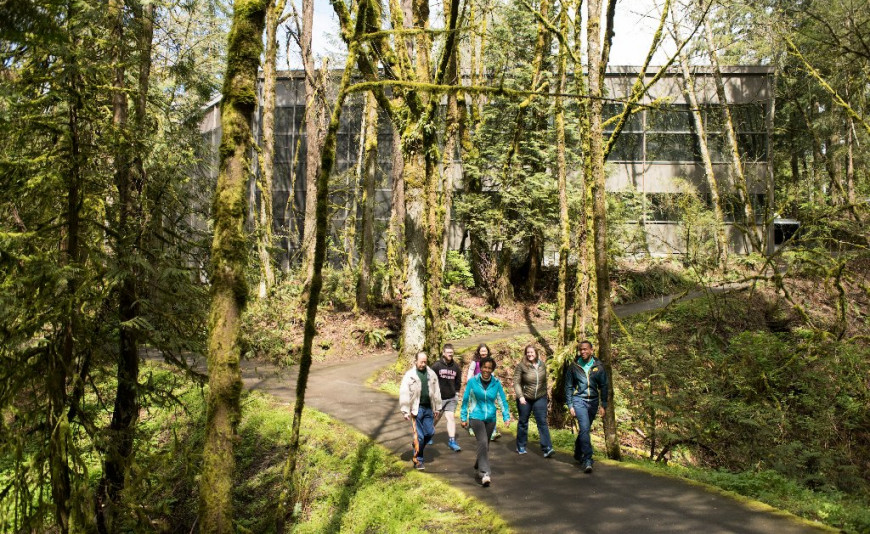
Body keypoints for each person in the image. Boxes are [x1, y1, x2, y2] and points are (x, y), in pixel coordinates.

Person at [460, 356, 511, 486]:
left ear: (492, 369)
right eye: (484, 367)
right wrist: (463, 416)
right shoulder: (473, 382)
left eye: (489, 368)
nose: (486, 370)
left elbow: (502, 400)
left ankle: (478, 464)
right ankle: (484, 473)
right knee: (482, 442)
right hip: (476, 417)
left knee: (485, 445)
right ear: (480, 367)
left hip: (491, 419)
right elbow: (466, 399)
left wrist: (506, 416)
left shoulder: (496, 383)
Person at [564, 340, 608, 473]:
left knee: (584, 429)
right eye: (581, 350)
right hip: (579, 401)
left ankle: (578, 453)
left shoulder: (599, 366)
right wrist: (570, 404)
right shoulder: (574, 366)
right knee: (584, 428)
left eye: (585, 349)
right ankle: (588, 459)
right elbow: (569, 386)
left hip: (593, 402)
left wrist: (603, 404)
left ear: (591, 350)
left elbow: (604, 386)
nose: (582, 352)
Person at [399, 351, 443, 470]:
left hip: (429, 408)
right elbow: (404, 393)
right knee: (420, 437)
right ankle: (418, 460)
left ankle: (417, 445)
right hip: (416, 410)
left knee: (430, 433)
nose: (423, 364)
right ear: (416, 361)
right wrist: (405, 411)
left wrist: (437, 407)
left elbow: (437, 391)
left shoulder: (431, 374)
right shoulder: (410, 375)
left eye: (425, 362)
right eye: (421, 362)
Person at [513, 344, 554, 457]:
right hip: (525, 398)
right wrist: (520, 396)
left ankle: (547, 448)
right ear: (526, 354)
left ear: (536, 353)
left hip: (540, 397)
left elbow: (544, 382)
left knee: (542, 422)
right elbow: (516, 382)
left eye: (532, 352)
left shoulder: (542, 365)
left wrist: (545, 395)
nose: (530, 354)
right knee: (523, 422)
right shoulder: (522, 366)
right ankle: (521, 445)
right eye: (528, 352)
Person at [465, 343, 500, 441]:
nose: (483, 353)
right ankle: (472, 427)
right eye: (482, 351)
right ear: (479, 352)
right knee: (474, 406)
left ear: (487, 352)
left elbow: (492, 374)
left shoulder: (490, 362)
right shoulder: (475, 362)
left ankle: (493, 431)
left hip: (487, 387)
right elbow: (470, 373)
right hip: (476, 387)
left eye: (485, 351)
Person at [431, 343, 462, 452]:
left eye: (451, 353)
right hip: (438, 398)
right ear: (443, 353)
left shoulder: (456, 367)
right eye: (448, 352)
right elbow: (430, 380)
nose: (450, 354)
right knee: (436, 417)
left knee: (451, 418)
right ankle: (429, 433)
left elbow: (458, 381)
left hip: (451, 398)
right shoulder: (436, 366)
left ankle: (452, 441)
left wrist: (457, 393)